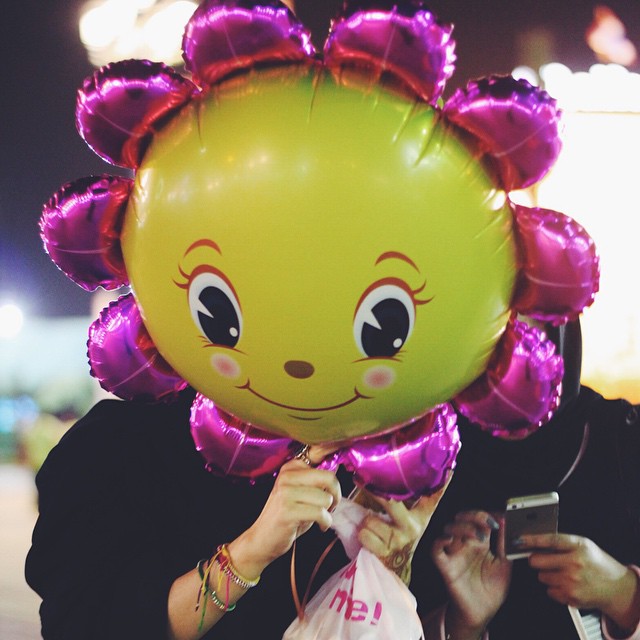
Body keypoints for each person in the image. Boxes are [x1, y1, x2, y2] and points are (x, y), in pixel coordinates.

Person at [25, 385, 447, 640]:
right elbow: (84, 625)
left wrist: (391, 572)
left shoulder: (387, 458)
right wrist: (250, 553)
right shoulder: (123, 440)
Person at [413, 320, 640, 640]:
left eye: (530, 341)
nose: (513, 372)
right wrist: (461, 625)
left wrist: (624, 594)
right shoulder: (425, 463)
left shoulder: (625, 443)